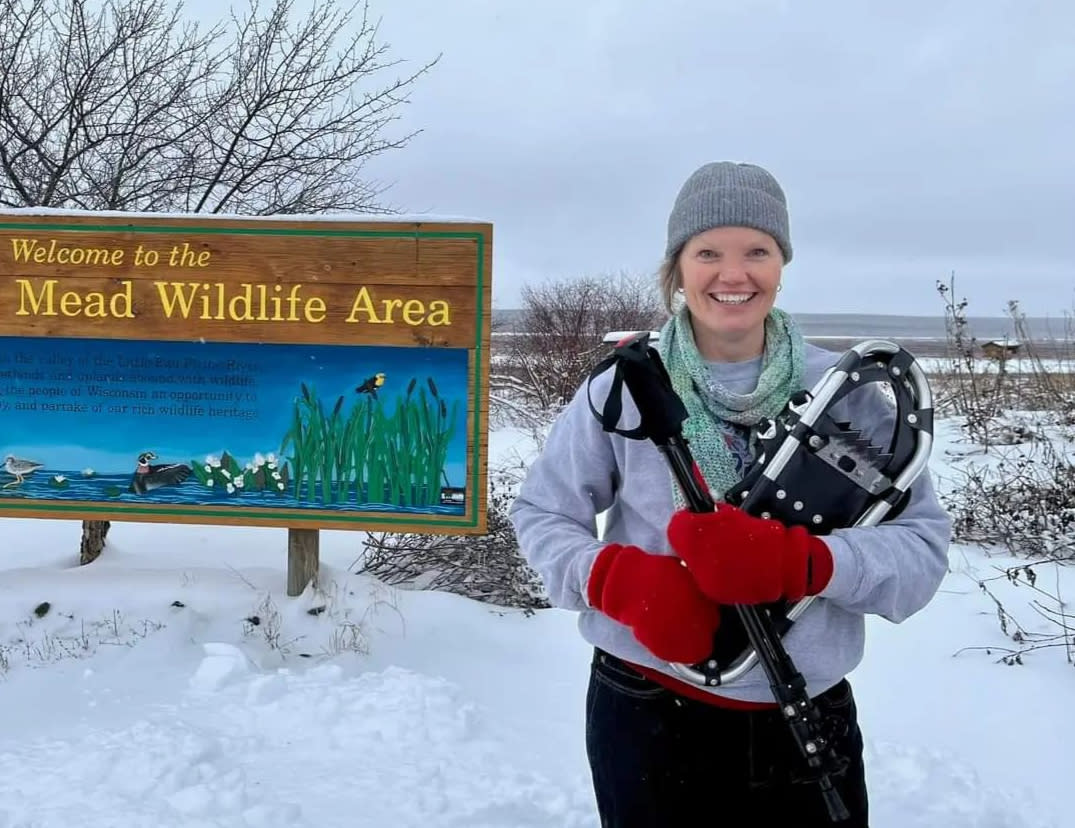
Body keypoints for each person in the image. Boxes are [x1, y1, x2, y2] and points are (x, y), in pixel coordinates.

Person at [508, 161, 952, 827]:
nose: (733, 274)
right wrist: (612, 578)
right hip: (643, 707)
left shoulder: (851, 395)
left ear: (781, 262)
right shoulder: (623, 387)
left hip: (802, 716)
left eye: (757, 251)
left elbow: (919, 553)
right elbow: (542, 512)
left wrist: (806, 564)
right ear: (677, 267)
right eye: (707, 252)